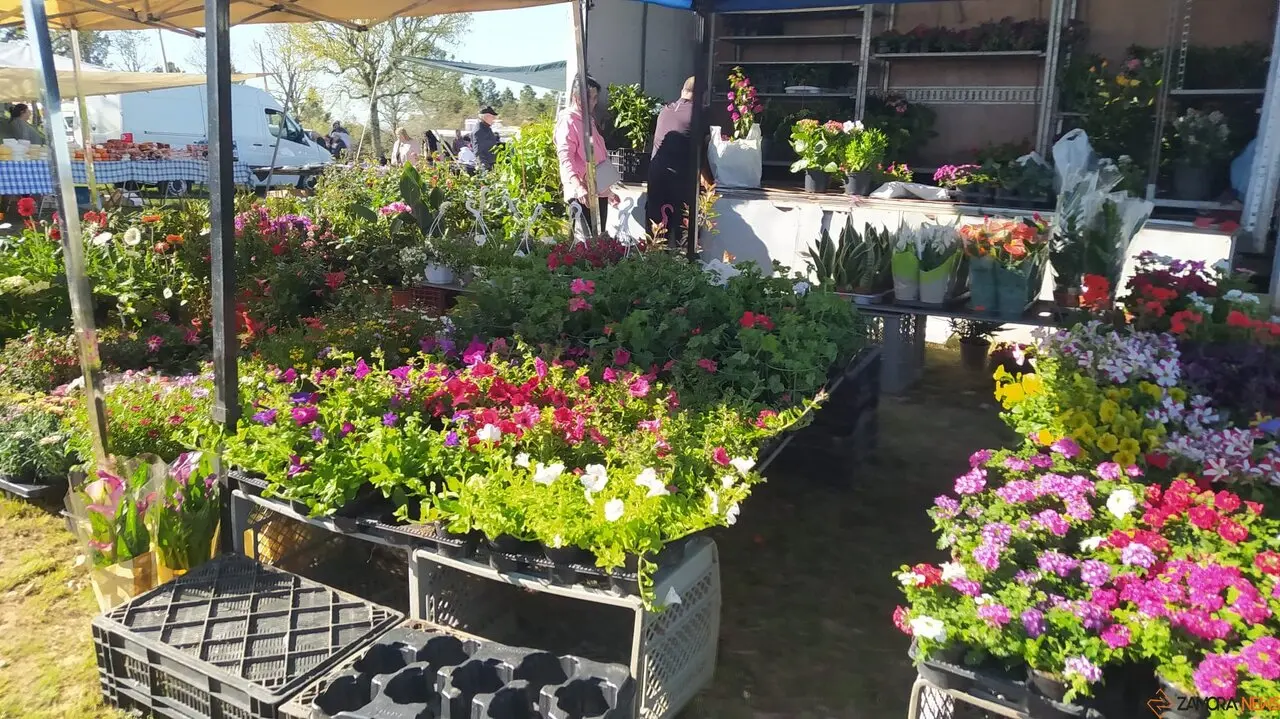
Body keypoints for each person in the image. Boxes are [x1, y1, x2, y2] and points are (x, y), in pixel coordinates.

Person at [646, 77, 711, 247]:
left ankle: (655, 265)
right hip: (679, 180)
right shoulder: (699, 114)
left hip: (656, 176)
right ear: (702, 96)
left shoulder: (665, 110)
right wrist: (710, 180)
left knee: (657, 232)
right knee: (685, 234)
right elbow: (702, 151)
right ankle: (684, 265)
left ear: (682, 91)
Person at [554, 75, 617, 241]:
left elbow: (598, 157)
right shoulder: (568, 121)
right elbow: (565, 157)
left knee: (598, 243)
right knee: (586, 245)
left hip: (598, 191)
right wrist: (578, 186)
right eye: (591, 98)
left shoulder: (588, 121)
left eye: (596, 98)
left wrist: (608, 192)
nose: (595, 103)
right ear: (577, 98)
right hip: (582, 193)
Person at [473, 106, 500, 170]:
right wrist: (485, 168)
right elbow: (478, 152)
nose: (494, 119)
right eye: (492, 117)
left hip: (491, 164)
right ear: (486, 117)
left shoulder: (486, 128)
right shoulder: (479, 130)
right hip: (486, 166)